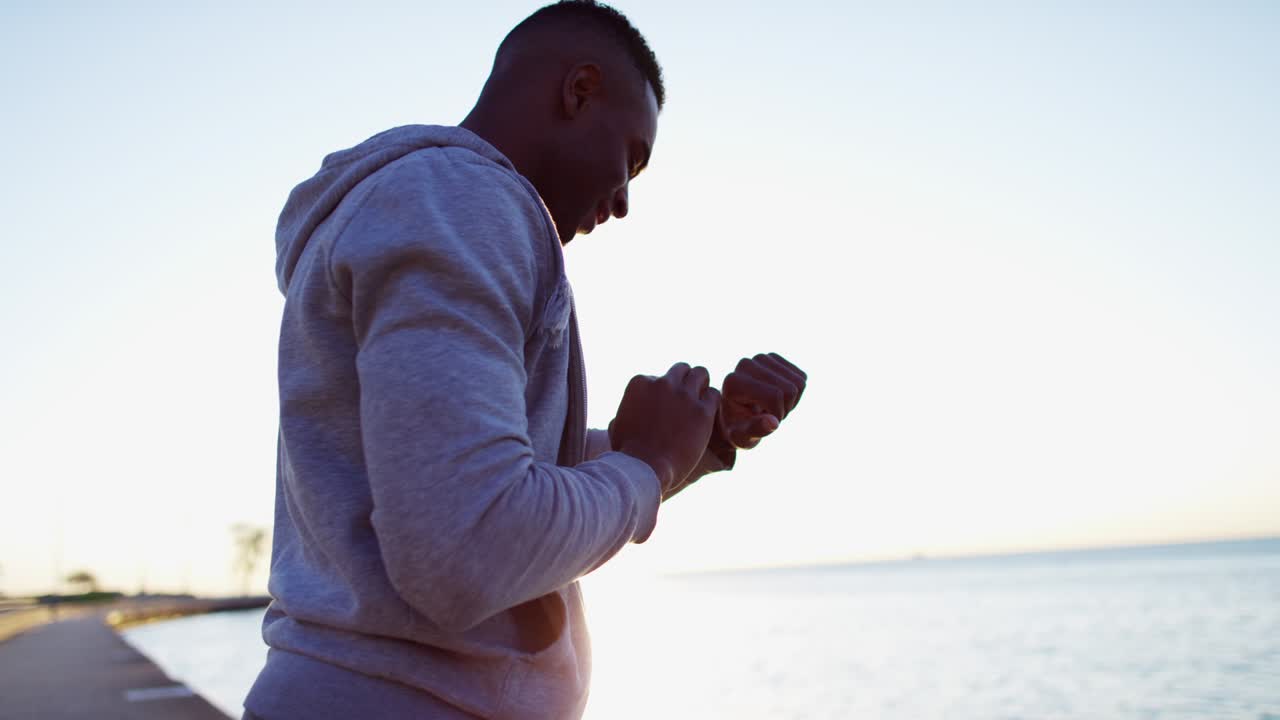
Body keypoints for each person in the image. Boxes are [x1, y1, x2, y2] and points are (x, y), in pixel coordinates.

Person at [243, 2, 807, 718]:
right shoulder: (459, 200)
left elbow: (496, 489)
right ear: (578, 90)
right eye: (632, 157)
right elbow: (466, 546)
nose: (626, 200)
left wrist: (703, 440)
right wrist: (648, 467)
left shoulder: (432, 204)